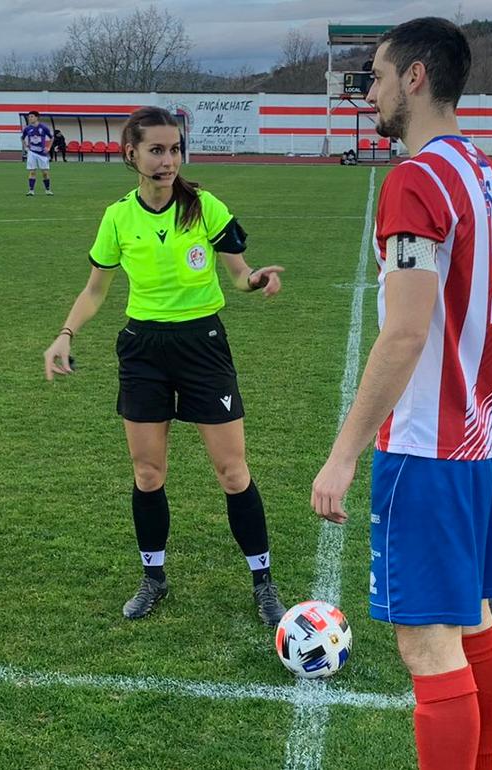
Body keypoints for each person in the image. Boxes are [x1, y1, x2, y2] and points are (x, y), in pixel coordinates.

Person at [311, 18, 492, 770]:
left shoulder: (417, 178)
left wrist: (341, 455)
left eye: (376, 75)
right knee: (473, 620)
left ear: (416, 78)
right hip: (485, 441)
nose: (369, 91)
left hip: (431, 448)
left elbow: (405, 331)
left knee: (427, 643)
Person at [43, 106, 289, 627]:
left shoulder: (205, 207)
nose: (168, 160)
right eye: (156, 150)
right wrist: (65, 335)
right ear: (130, 153)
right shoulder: (118, 217)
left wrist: (256, 279)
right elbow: (95, 289)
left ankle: (263, 583)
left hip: (203, 344)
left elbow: (238, 273)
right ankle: (153, 577)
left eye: (174, 149)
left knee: (232, 471)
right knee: (148, 472)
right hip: (142, 349)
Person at [22, 111, 54, 195]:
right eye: (29, 117)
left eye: (32, 116)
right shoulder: (27, 128)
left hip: (42, 153)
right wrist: (26, 147)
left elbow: (51, 137)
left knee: (45, 173)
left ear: (37, 117)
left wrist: (48, 147)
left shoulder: (43, 127)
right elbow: (22, 138)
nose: (30, 118)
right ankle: (31, 191)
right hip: (32, 153)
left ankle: (47, 190)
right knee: (32, 172)